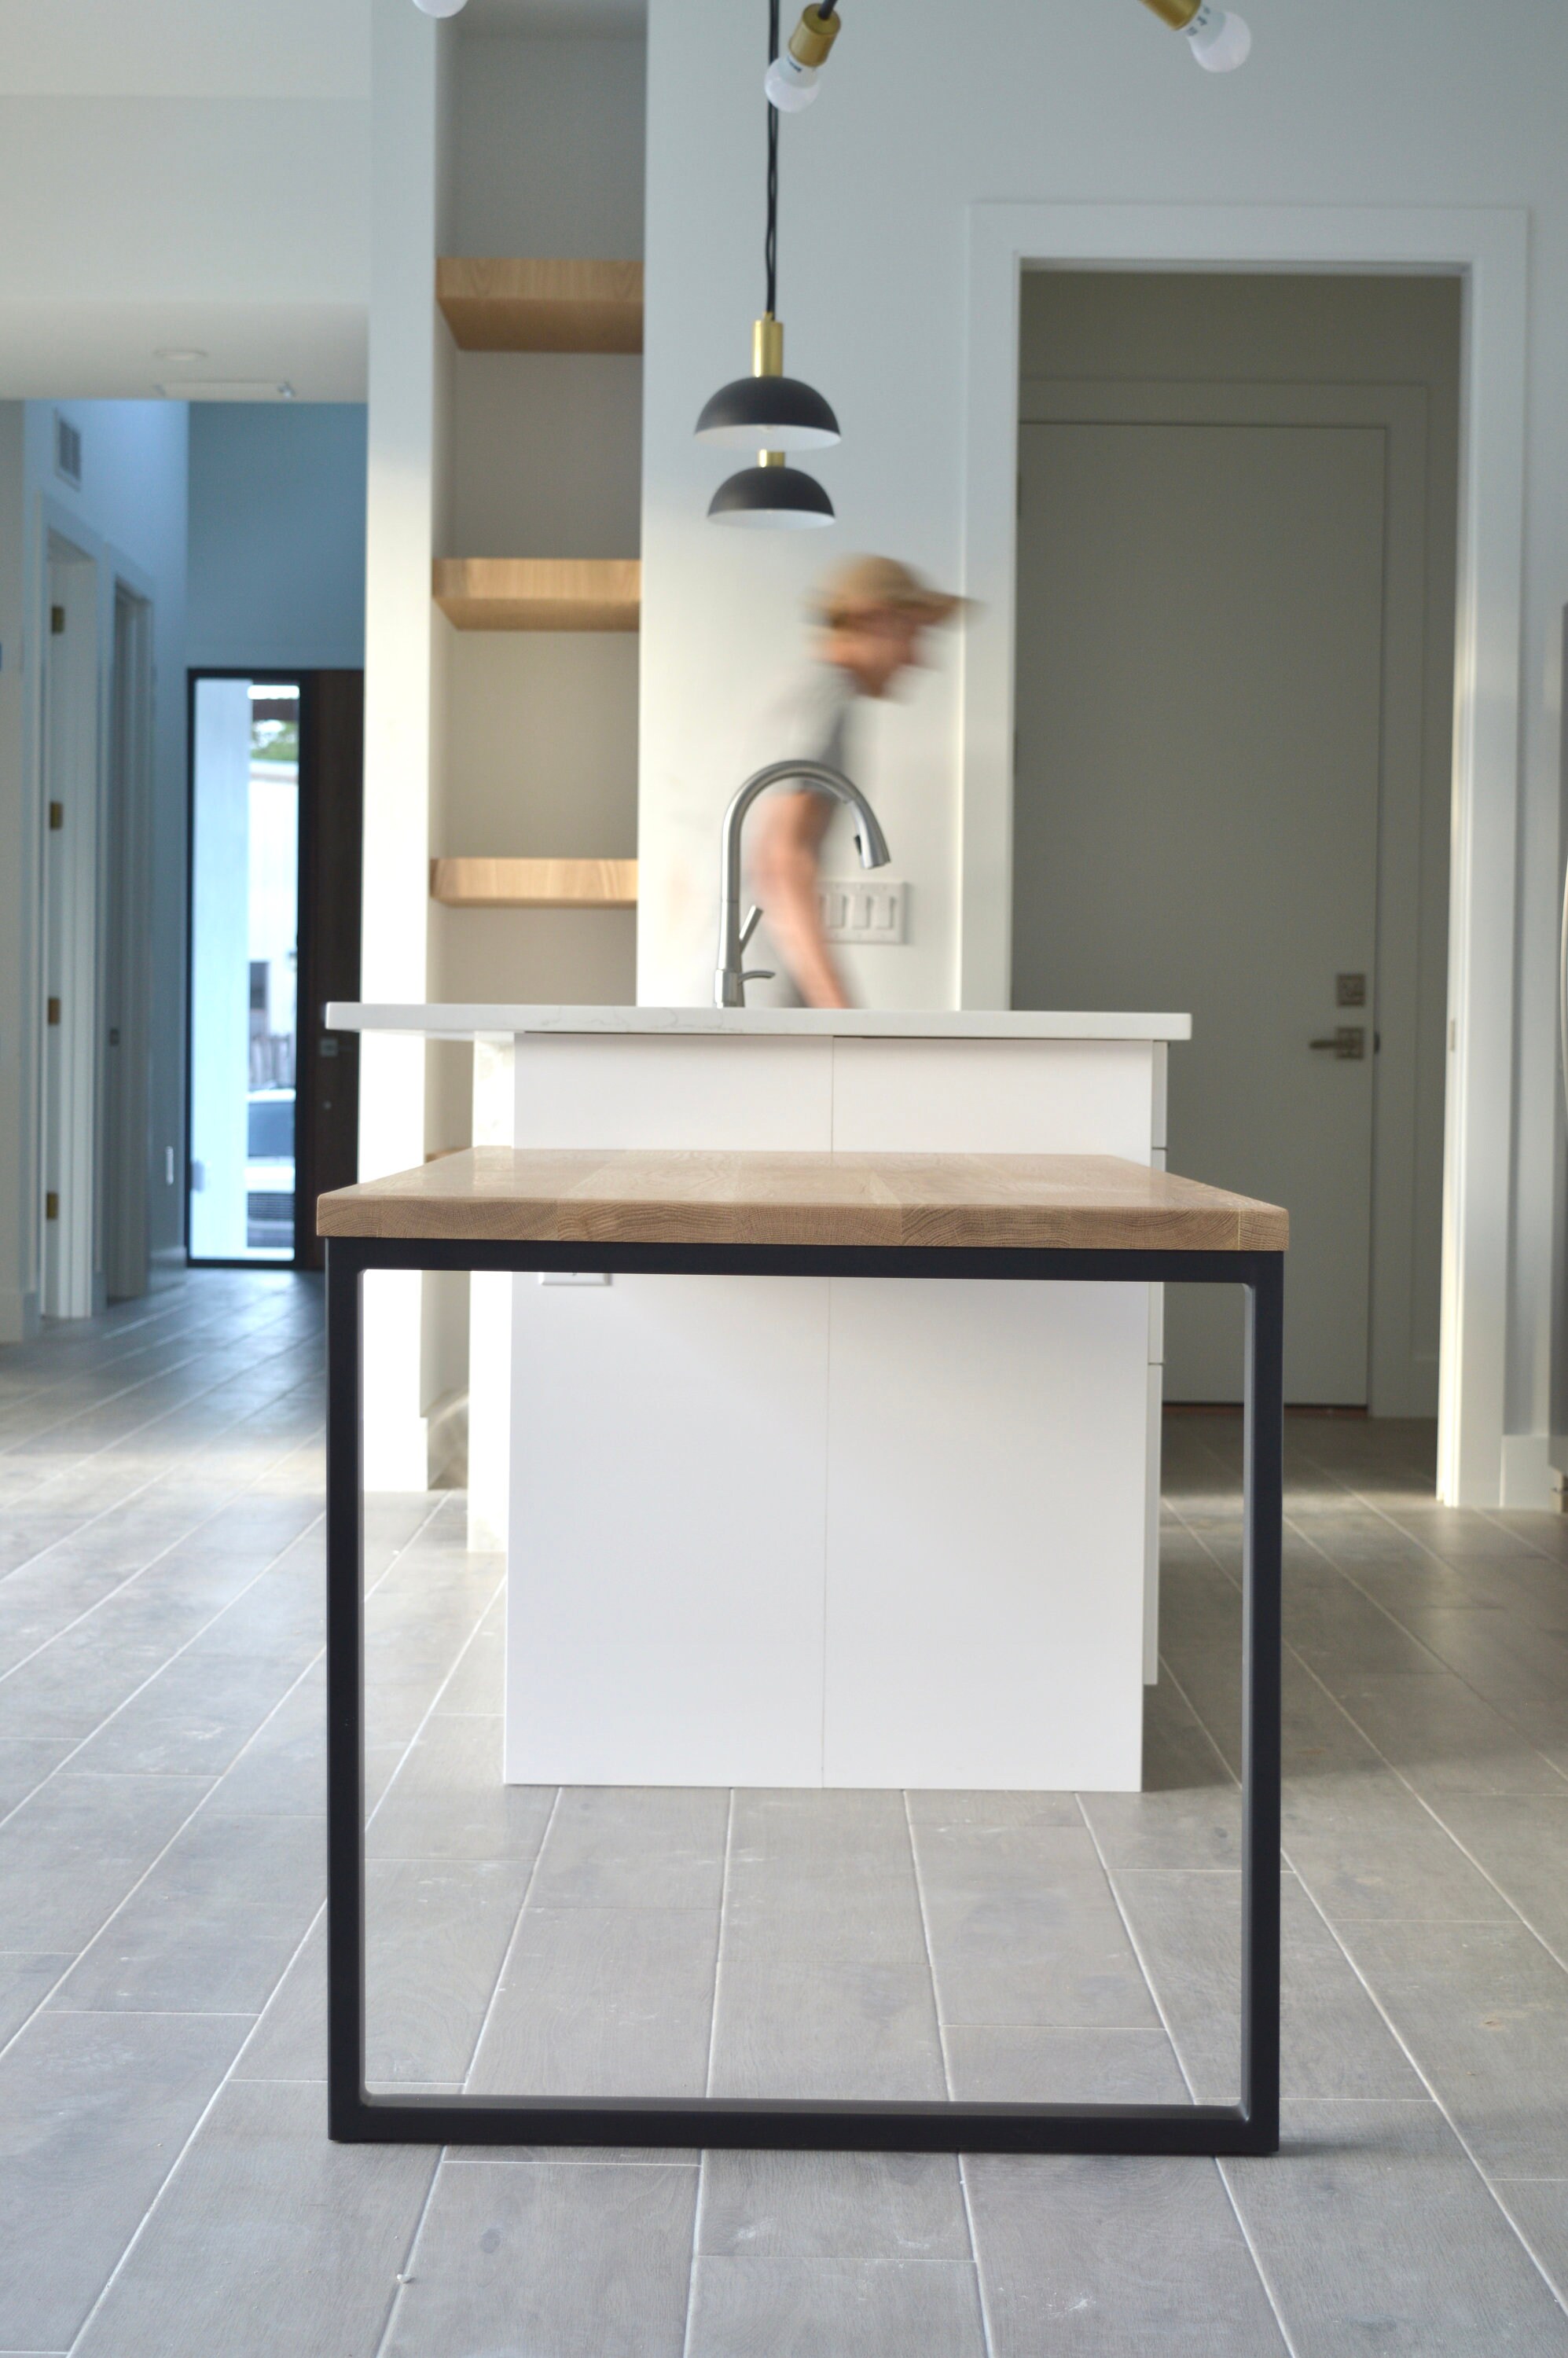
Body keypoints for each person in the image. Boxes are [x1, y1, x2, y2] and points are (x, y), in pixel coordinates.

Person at [747, 555, 964, 1008]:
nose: (918, 658)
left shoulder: (790, 694)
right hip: (761, 1003)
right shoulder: (825, 697)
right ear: (873, 619)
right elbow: (783, 860)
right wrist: (842, 1015)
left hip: (740, 996)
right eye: (912, 632)